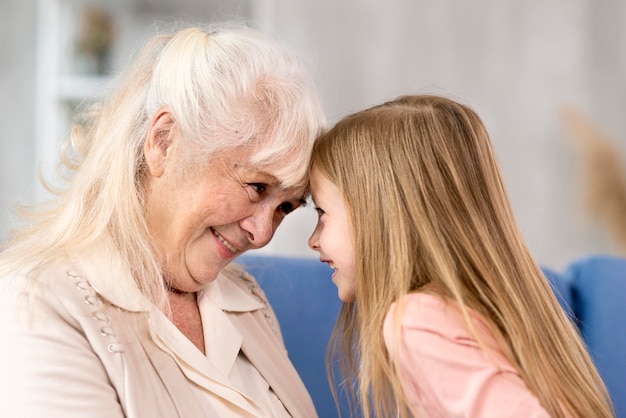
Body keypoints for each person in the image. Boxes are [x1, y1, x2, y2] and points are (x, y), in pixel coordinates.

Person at [0, 23, 326, 417]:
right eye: (257, 187)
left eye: (285, 208)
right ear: (164, 142)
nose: (262, 234)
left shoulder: (246, 297)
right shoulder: (37, 304)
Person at [307, 94, 614, 418]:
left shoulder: (417, 320)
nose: (313, 240)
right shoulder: (488, 310)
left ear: (380, 215)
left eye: (322, 212)